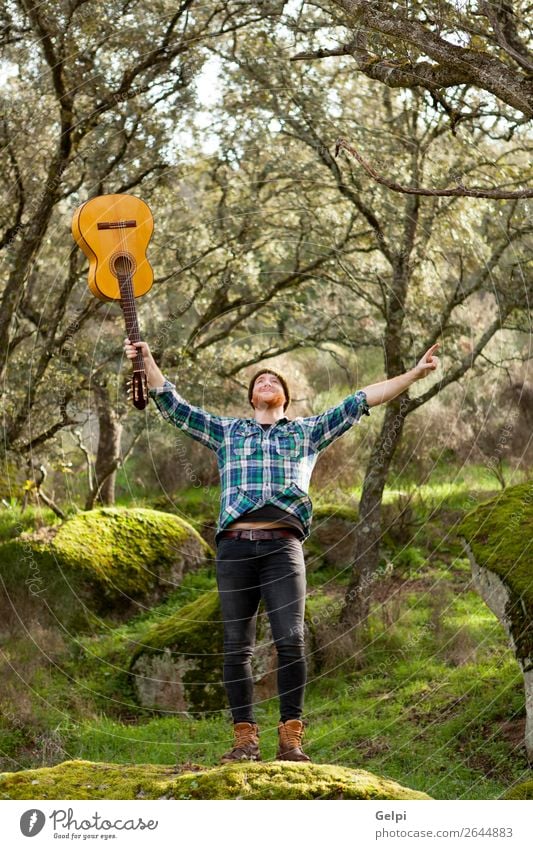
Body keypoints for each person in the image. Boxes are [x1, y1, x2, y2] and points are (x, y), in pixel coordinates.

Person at [124, 337, 440, 763]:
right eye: (260, 380)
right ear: (252, 397)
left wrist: (415, 374)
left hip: (282, 548)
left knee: (291, 640)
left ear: (285, 399)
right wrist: (146, 359)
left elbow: (362, 398)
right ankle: (244, 741)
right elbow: (172, 403)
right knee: (236, 645)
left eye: (275, 380)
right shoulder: (228, 432)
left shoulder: (305, 433)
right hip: (235, 549)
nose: (267, 381)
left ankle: (290, 738)